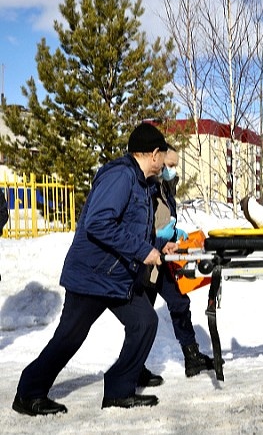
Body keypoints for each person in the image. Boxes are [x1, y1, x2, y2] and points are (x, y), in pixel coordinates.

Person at [12, 122, 177, 415]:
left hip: (117, 277)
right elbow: (99, 223)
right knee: (69, 338)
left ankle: (119, 391)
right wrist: (143, 252)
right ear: (154, 154)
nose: (166, 164)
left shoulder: (141, 183)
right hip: (92, 275)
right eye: (164, 156)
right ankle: (29, 393)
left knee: (144, 322)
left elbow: (132, 229)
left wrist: (158, 247)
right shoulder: (120, 176)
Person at [144, 146, 215, 379]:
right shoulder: (147, 188)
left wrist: (176, 234)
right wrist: (159, 237)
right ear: (158, 161)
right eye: (170, 165)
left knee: (179, 303)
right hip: (146, 261)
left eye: (175, 165)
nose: (174, 170)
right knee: (142, 319)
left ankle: (191, 356)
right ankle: (134, 367)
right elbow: (142, 226)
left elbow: (166, 220)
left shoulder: (165, 188)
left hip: (163, 258)